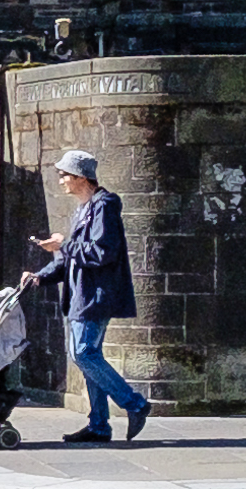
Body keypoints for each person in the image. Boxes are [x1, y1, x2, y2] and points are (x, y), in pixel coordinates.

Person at [48, 153, 147, 444]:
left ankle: (135, 404)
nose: (62, 180)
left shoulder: (104, 206)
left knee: (83, 353)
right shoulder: (83, 209)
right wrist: (41, 275)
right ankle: (99, 425)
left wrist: (63, 245)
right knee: (88, 356)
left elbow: (103, 251)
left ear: (81, 177)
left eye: (65, 174)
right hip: (83, 293)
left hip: (95, 295)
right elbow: (71, 255)